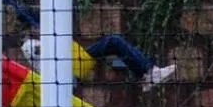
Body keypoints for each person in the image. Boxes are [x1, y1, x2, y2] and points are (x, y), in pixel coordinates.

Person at [18, 34, 177, 92]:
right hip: (72, 68)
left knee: (115, 43)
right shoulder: (29, 46)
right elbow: (41, 53)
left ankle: (147, 75)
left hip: (75, 63)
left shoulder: (38, 38)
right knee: (114, 42)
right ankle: (149, 74)